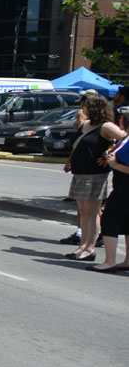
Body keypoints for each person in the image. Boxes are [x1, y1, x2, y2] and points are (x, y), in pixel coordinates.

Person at [64, 95, 124, 262]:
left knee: (92, 212)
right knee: (83, 211)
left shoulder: (106, 126)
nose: (82, 109)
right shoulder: (85, 124)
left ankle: (90, 248)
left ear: (96, 108)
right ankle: (83, 245)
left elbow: (123, 139)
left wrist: (108, 155)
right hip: (80, 172)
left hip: (95, 173)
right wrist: (69, 161)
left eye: (86, 106)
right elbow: (77, 145)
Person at [91, 106, 129, 272]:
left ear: (123, 120)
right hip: (122, 186)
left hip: (124, 188)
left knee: (109, 220)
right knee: (127, 223)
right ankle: (127, 261)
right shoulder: (125, 139)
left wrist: (115, 164)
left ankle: (109, 261)